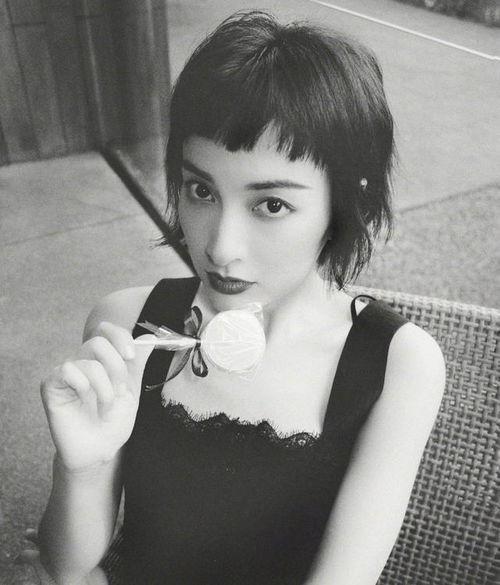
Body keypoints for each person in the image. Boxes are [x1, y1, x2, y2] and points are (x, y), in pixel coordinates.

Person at [32, 10, 445, 585]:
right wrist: (82, 466)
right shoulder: (127, 323)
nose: (220, 247)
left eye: (271, 204)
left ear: (345, 200)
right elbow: (66, 570)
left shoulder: (397, 364)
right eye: (201, 190)